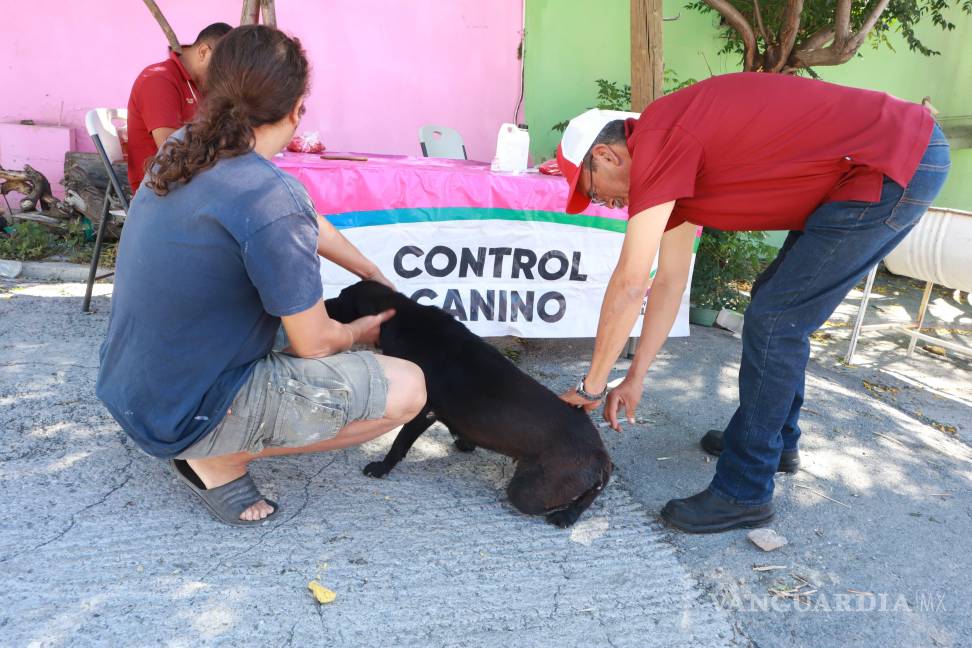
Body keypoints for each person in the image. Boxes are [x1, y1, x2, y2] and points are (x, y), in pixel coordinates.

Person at [556, 72, 949, 533]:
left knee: (776, 319)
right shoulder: (668, 154)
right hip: (864, 170)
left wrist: (591, 387)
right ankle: (775, 440)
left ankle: (744, 490)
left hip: (893, 161)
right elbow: (669, 281)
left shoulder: (661, 138)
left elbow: (629, 282)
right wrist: (635, 377)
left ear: (605, 155)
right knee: (775, 305)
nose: (604, 202)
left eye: (593, 191)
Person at [97, 25, 425, 526]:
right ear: (297, 110)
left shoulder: (185, 145)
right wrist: (358, 331)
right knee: (409, 386)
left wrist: (368, 270)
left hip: (130, 390)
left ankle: (205, 436)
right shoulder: (269, 196)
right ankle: (216, 455)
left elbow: (302, 216)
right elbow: (315, 344)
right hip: (182, 412)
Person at [125, 22, 233, 191]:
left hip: (190, 181)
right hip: (160, 189)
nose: (223, 79)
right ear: (203, 52)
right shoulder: (159, 79)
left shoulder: (199, 83)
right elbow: (171, 155)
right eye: (223, 71)